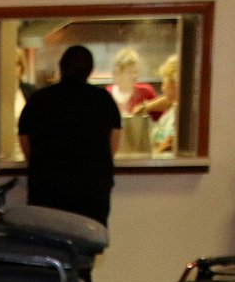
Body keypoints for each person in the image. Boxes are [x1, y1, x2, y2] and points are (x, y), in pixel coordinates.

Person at [17, 45, 122, 226]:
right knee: (87, 245)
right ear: (90, 71)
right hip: (92, 197)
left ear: (61, 67)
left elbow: (26, 146)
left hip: (47, 194)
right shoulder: (103, 100)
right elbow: (112, 146)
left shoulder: (38, 100)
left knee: (50, 244)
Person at [140, 54, 180, 156]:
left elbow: (171, 141)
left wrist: (155, 155)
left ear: (176, 85)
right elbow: (166, 100)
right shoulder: (173, 105)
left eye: (165, 83)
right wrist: (146, 107)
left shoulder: (182, 113)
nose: (162, 88)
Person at [109, 49, 158, 116]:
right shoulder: (108, 94)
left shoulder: (146, 92)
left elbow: (162, 120)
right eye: (130, 72)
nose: (134, 76)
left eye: (135, 72)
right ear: (118, 73)